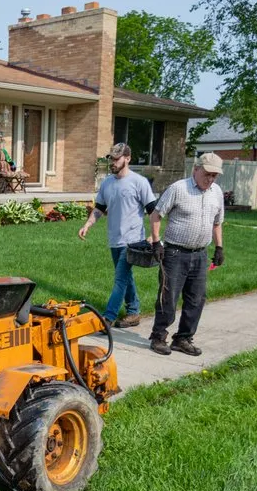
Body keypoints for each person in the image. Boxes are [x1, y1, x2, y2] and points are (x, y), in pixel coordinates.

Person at [147, 152, 226, 356]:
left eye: (214, 176)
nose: (210, 179)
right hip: (175, 253)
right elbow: (156, 215)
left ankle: (183, 338)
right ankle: (158, 337)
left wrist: (219, 247)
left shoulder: (216, 192)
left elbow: (217, 222)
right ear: (196, 169)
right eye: (207, 174)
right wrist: (156, 242)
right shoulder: (178, 189)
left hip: (200, 254)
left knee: (196, 299)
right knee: (168, 297)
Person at [78, 143, 157, 328]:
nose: (112, 162)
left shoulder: (139, 182)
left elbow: (153, 210)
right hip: (114, 239)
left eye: (116, 159)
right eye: (111, 158)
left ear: (127, 159)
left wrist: (154, 236)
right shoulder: (107, 183)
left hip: (133, 240)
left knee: (120, 278)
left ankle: (108, 317)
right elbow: (99, 208)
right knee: (126, 276)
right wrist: (87, 224)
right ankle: (133, 311)